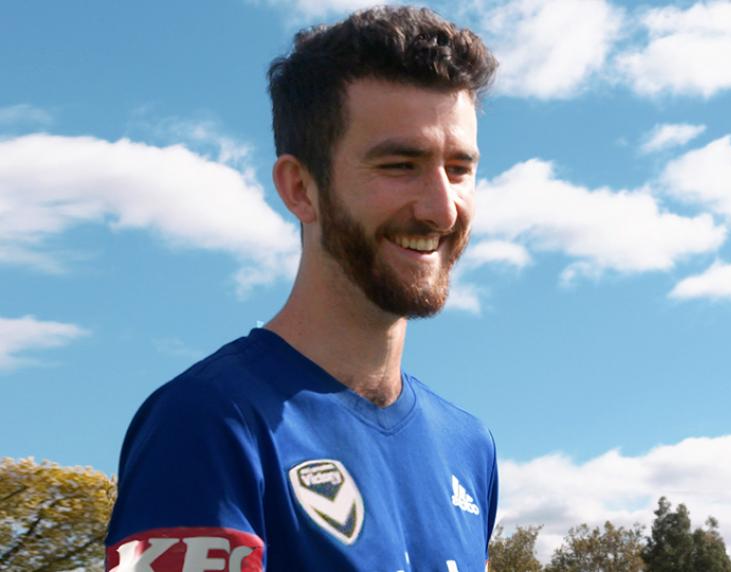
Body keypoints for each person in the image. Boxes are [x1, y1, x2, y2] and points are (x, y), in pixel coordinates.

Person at [104, 6, 499, 571]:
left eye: (459, 169)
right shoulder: (209, 423)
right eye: (399, 165)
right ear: (300, 188)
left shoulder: (469, 446)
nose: (441, 208)